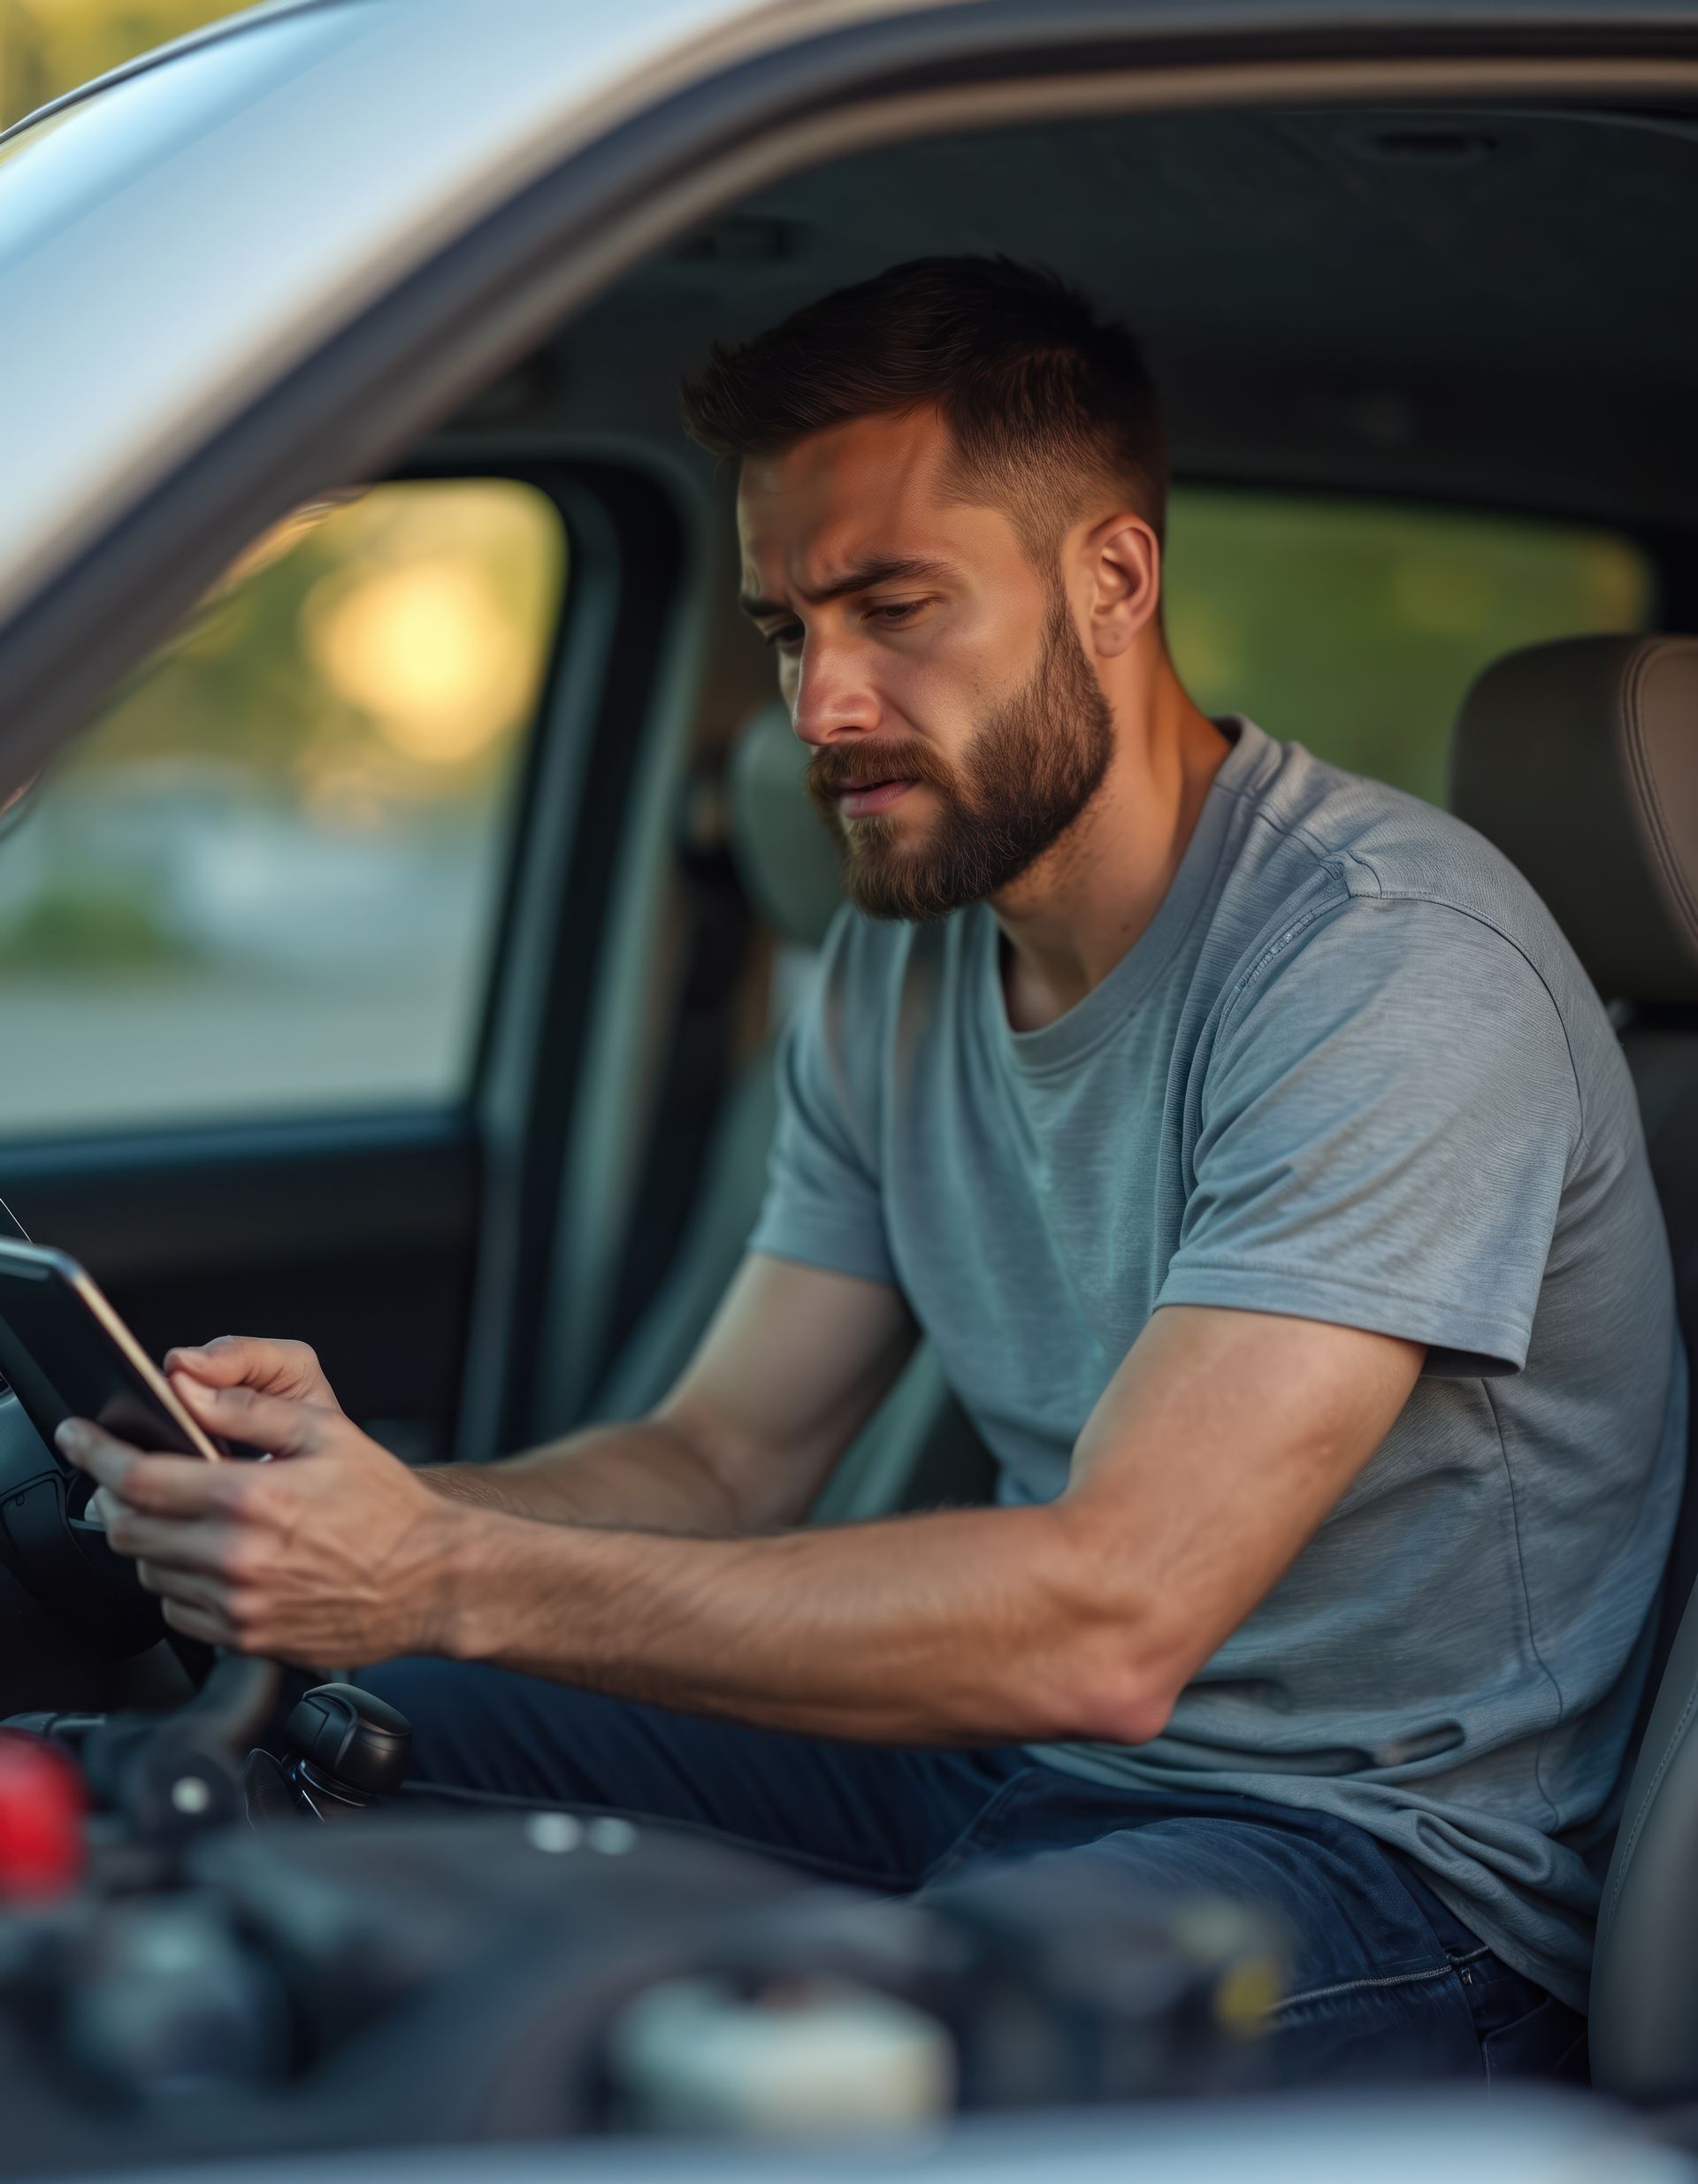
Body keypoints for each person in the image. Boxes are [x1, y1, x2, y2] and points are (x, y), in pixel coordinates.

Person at [63, 258, 1682, 2084]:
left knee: (760, 2077)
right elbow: (718, 1460)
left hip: (1376, 1870)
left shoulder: (1386, 967)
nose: (822, 704)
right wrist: (342, 1519)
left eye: (895, 607)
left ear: (1114, 582)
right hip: (1004, 1770)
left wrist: (442, 1568)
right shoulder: (896, 967)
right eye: (785, 628)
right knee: (258, 1757)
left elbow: (1110, 1619)